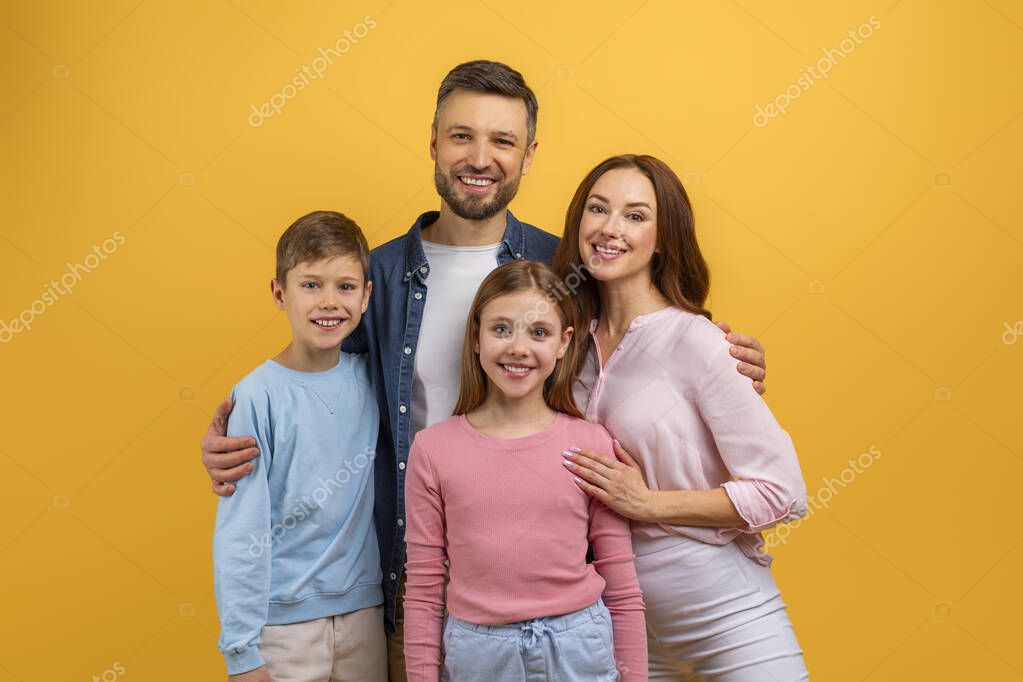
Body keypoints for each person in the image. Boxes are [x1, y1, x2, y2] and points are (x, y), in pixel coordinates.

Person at [200, 61, 768, 681]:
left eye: (503, 140)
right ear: (434, 143)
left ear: (528, 155)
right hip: (409, 588)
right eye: (461, 135)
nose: (480, 157)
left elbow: (646, 340)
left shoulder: (566, 267)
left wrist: (722, 356)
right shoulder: (376, 280)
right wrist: (243, 443)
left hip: (552, 601)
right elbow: (318, 388)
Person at [553, 155, 810, 680]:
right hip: (625, 631)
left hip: (730, 621)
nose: (609, 228)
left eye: (635, 215)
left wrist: (647, 503)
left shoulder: (698, 342)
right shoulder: (567, 345)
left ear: (664, 237)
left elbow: (783, 491)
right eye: (598, 209)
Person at [404, 260, 646, 681]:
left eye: (538, 332)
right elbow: (424, 591)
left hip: (579, 645)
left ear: (564, 342)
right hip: (478, 652)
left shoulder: (591, 444)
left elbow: (622, 586)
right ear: (476, 337)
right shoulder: (433, 450)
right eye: (501, 329)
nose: (518, 347)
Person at [212, 211, 386, 681]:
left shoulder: (375, 379)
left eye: (346, 287)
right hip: (282, 628)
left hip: (365, 615)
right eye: (311, 285)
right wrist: (242, 651)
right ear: (279, 293)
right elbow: (240, 530)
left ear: (367, 296)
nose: (329, 302)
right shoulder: (257, 395)